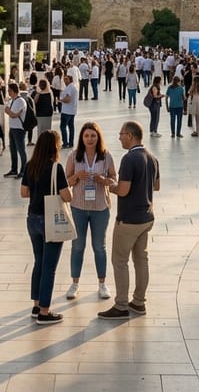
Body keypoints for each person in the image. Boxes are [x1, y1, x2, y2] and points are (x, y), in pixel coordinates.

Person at [98, 121, 160, 319]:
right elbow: (156, 186)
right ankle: (139, 302)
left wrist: (110, 184)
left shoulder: (129, 159)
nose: (119, 137)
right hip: (147, 217)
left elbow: (123, 190)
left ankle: (122, 305)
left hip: (129, 219)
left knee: (120, 261)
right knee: (141, 260)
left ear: (131, 136)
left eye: (121, 133)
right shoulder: (151, 157)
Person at [20, 130, 72, 325]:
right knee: (49, 267)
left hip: (32, 218)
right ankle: (44, 311)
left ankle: (36, 304)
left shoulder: (30, 165)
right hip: (50, 220)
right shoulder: (55, 168)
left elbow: (24, 193)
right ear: (55, 146)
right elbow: (67, 196)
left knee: (38, 262)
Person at [64, 122, 117, 300]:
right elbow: (65, 182)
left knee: (99, 247)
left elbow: (114, 178)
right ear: (82, 138)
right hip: (78, 206)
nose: (90, 139)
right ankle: (74, 283)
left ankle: (102, 284)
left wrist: (104, 180)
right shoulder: (73, 156)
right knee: (77, 246)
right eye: (86, 136)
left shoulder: (106, 156)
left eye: (93, 135)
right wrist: (77, 177)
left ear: (98, 137)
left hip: (100, 207)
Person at [3, 83, 28, 178]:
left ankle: (23, 170)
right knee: (13, 149)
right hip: (13, 128)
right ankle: (14, 169)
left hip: (19, 129)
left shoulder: (20, 101)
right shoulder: (12, 101)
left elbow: (14, 114)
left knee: (21, 149)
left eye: (9, 90)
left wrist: (8, 111)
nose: (8, 93)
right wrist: (9, 111)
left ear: (13, 91)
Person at [59, 74, 78, 149]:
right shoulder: (72, 87)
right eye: (64, 79)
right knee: (71, 127)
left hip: (66, 111)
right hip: (72, 110)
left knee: (63, 126)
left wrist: (60, 100)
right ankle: (71, 142)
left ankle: (65, 142)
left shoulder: (70, 88)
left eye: (66, 79)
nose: (65, 81)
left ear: (70, 80)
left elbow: (68, 99)